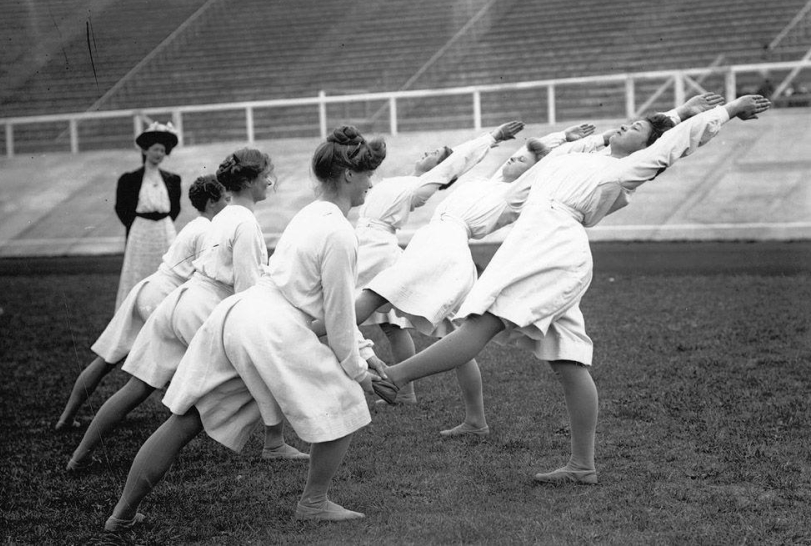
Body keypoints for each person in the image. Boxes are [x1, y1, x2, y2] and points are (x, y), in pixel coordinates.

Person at [370, 94, 772, 484]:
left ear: (643, 148)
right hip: (536, 246)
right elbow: (625, 135)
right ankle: (583, 466)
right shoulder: (584, 157)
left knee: (481, 323)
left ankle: (396, 376)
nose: (625, 125)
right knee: (568, 360)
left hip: (553, 251)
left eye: (635, 128)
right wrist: (680, 110)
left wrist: (729, 110)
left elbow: (672, 142)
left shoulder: (626, 169)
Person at [104, 125, 387, 531]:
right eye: (367, 176)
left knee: (186, 419)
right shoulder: (340, 232)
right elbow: (339, 315)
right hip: (270, 325)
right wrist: (360, 371)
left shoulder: (308, 214)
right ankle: (314, 502)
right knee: (345, 400)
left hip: (237, 315)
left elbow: (331, 308)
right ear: (347, 175)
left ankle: (121, 516)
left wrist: (367, 352)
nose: (370, 185)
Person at [315, 122, 596, 437]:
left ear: (534, 173)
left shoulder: (515, 196)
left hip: (444, 251)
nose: (515, 159)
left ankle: (309, 336)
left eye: (525, 161)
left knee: (371, 298)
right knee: (456, 337)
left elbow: (541, 164)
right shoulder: (488, 181)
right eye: (515, 156)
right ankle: (476, 420)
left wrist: (564, 142)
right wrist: (538, 139)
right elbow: (512, 155)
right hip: (437, 248)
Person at [67, 148, 308, 471]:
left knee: (136, 388)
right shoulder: (245, 223)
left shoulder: (223, 216)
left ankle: (78, 457)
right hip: (202, 309)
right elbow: (247, 293)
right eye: (266, 175)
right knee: (263, 363)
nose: (270, 181)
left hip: (178, 301)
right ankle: (274, 443)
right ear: (249, 182)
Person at [355, 120, 525, 404]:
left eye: (435, 153)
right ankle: (404, 390)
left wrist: (491, 138)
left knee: (418, 328)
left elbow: (456, 162)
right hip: (366, 247)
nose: (427, 153)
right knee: (397, 325)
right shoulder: (402, 182)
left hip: (377, 254)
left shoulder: (418, 188)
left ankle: (405, 389)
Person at [55, 175, 228, 432]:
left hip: (146, 289)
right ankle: (193, 415)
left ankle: (66, 418)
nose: (228, 203)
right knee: (162, 369)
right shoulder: (207, 230)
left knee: (106, 360)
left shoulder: (194, 225)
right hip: (161, 296)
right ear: (213, 201)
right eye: (225, 198)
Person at [114, 122, 183, 309]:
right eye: (155, 149)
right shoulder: (130, 179)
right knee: (139, 272)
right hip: (141, 230)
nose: (159, 154)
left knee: (167, 270)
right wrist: (140, 223)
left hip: (164, 229)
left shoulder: (172, 179)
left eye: (162, 150)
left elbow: (175, 207)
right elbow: (121, 208)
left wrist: (162, 221)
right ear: (145, 151)